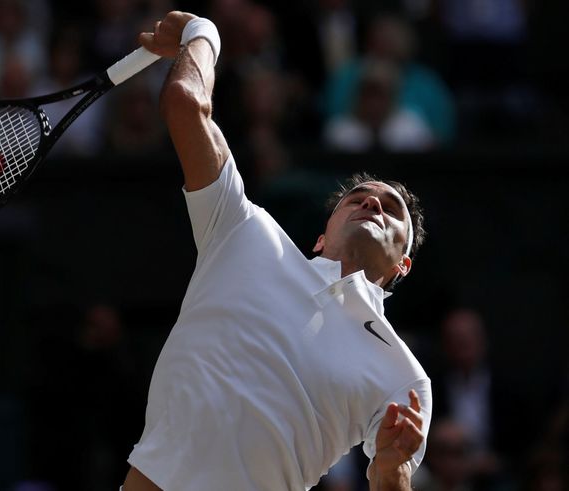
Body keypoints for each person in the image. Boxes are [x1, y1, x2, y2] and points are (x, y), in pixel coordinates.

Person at [122, 11, 432, 491]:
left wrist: (391, 470)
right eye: (359, 198)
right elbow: (186, 102)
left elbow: (390, 480)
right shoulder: (245, 231)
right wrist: (203, 33)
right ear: (320, 238)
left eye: (392, 211)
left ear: (401, 267)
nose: (373, 202)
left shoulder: (405, 377)